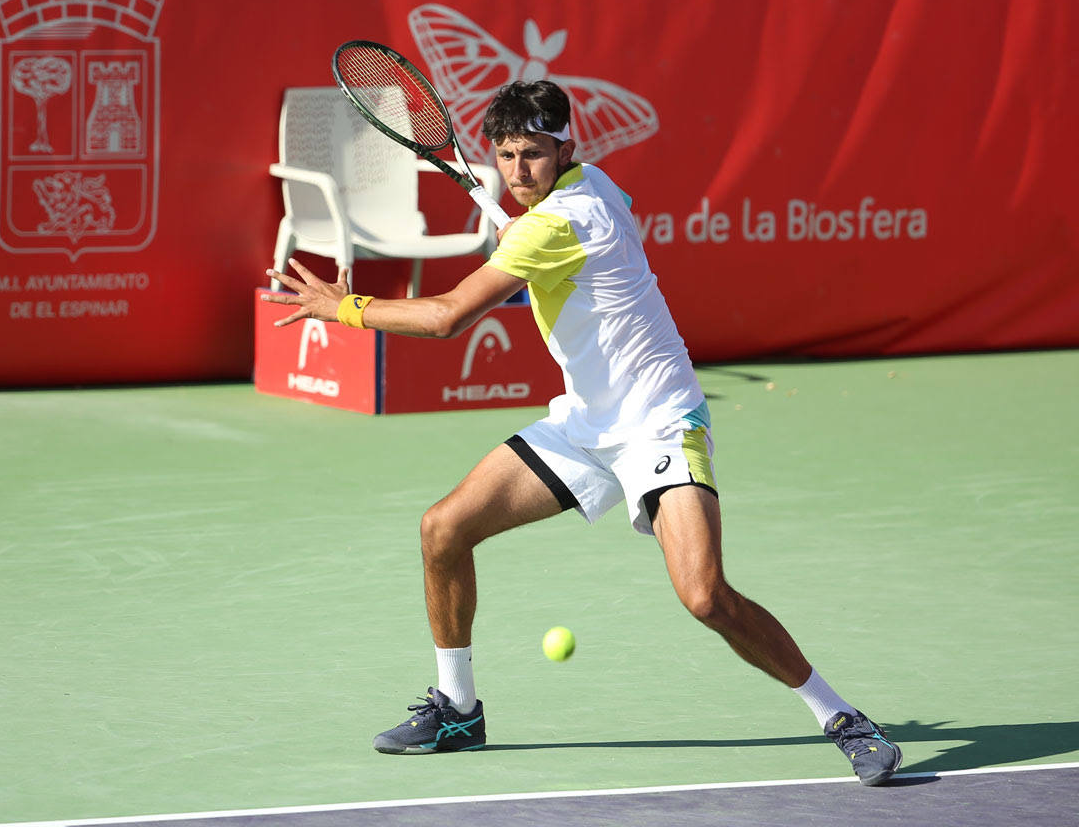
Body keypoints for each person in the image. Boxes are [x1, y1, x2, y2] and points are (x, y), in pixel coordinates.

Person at [262, 80, 902, 787]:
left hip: (657, 420)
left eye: (533, 154)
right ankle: (457, 709)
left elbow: (447, 317)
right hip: (586, 425)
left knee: (704, 596)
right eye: (505, 155)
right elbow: (563, 238)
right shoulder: (592, 188)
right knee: (443, 530)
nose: (516, 171)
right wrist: (521, 229)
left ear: (567, 147)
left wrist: (342, 306)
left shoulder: (555, 224)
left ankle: (842, 718)